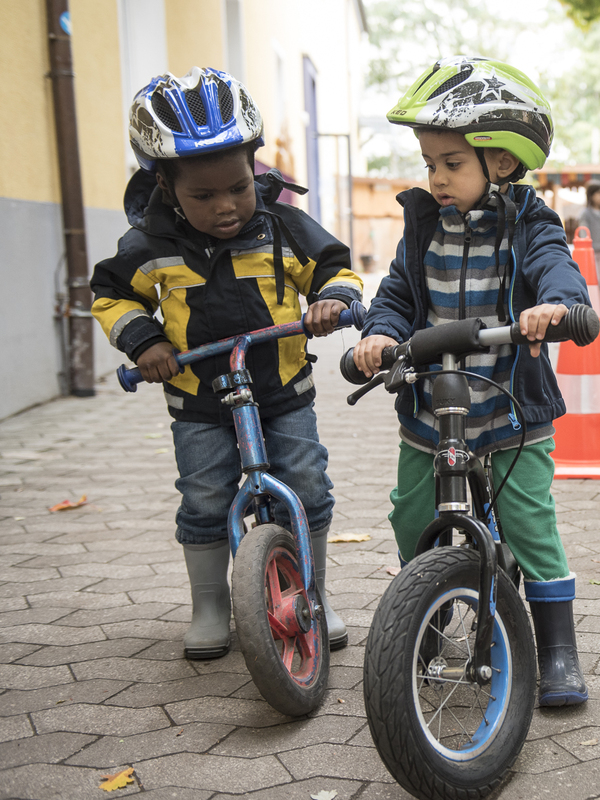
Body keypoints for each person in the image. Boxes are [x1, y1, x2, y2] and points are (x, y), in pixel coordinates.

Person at [90, 68, 363, 660]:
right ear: (163, 183)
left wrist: (332, 302)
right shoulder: (150, 245)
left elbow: (336, 269)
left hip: (282, 387)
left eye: (238, 187)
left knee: (307, 482)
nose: (226, 207)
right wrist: (145, 342)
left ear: (254, 167)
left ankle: (313, 592)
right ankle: (210, 605)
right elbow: (110, 297)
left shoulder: (282, 227)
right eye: (203, 195)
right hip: (198, 399)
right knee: (205, 496)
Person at [352, 56, 591, 707]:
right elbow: (399, 292)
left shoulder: (529, 223)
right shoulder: (423, 223)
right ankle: (421, 620)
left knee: (529, 525)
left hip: (509, 410)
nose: (435, 178)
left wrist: (556, 307)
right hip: (432, 407)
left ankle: (559, 649)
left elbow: (554, 268)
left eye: (450, 163)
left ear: (502, 164)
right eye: (429, 163)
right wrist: (379, 334)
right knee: (410, 513)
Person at [579, 183, 600, 307]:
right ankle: (591, 306)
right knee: (591, 281)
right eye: (598, 193)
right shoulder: (585, 214)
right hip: (591, 252)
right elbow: (583, 231)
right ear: (591, 196)